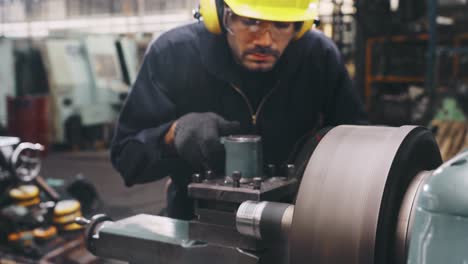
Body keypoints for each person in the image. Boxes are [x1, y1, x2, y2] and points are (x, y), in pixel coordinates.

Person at [111, 0, 368, 220]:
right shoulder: (173, 54)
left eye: (281, 25)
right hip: (195, 219)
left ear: (300, 27)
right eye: (251, 21)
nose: (266, 40)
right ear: (220, 15)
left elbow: (360, 147)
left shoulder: (318, 56)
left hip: (291, 220)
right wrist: (173, 135)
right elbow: (127, 159)